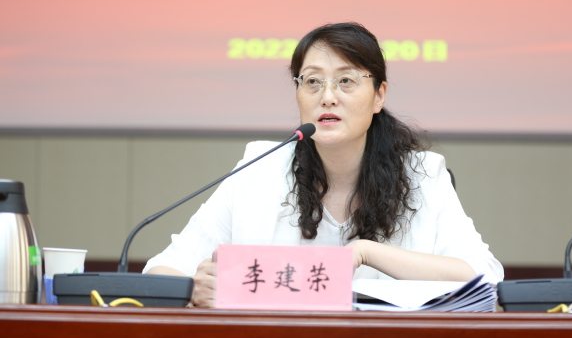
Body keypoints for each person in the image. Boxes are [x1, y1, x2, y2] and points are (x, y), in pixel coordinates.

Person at [144, 22, 503, 307]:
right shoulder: (258, 170)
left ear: (379, 95)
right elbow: (160, 271)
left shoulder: (422, 175)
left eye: (346, 81)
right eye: (313, 81)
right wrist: (192, 289)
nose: (327, 96)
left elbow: (484, 279)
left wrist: (366, 252)